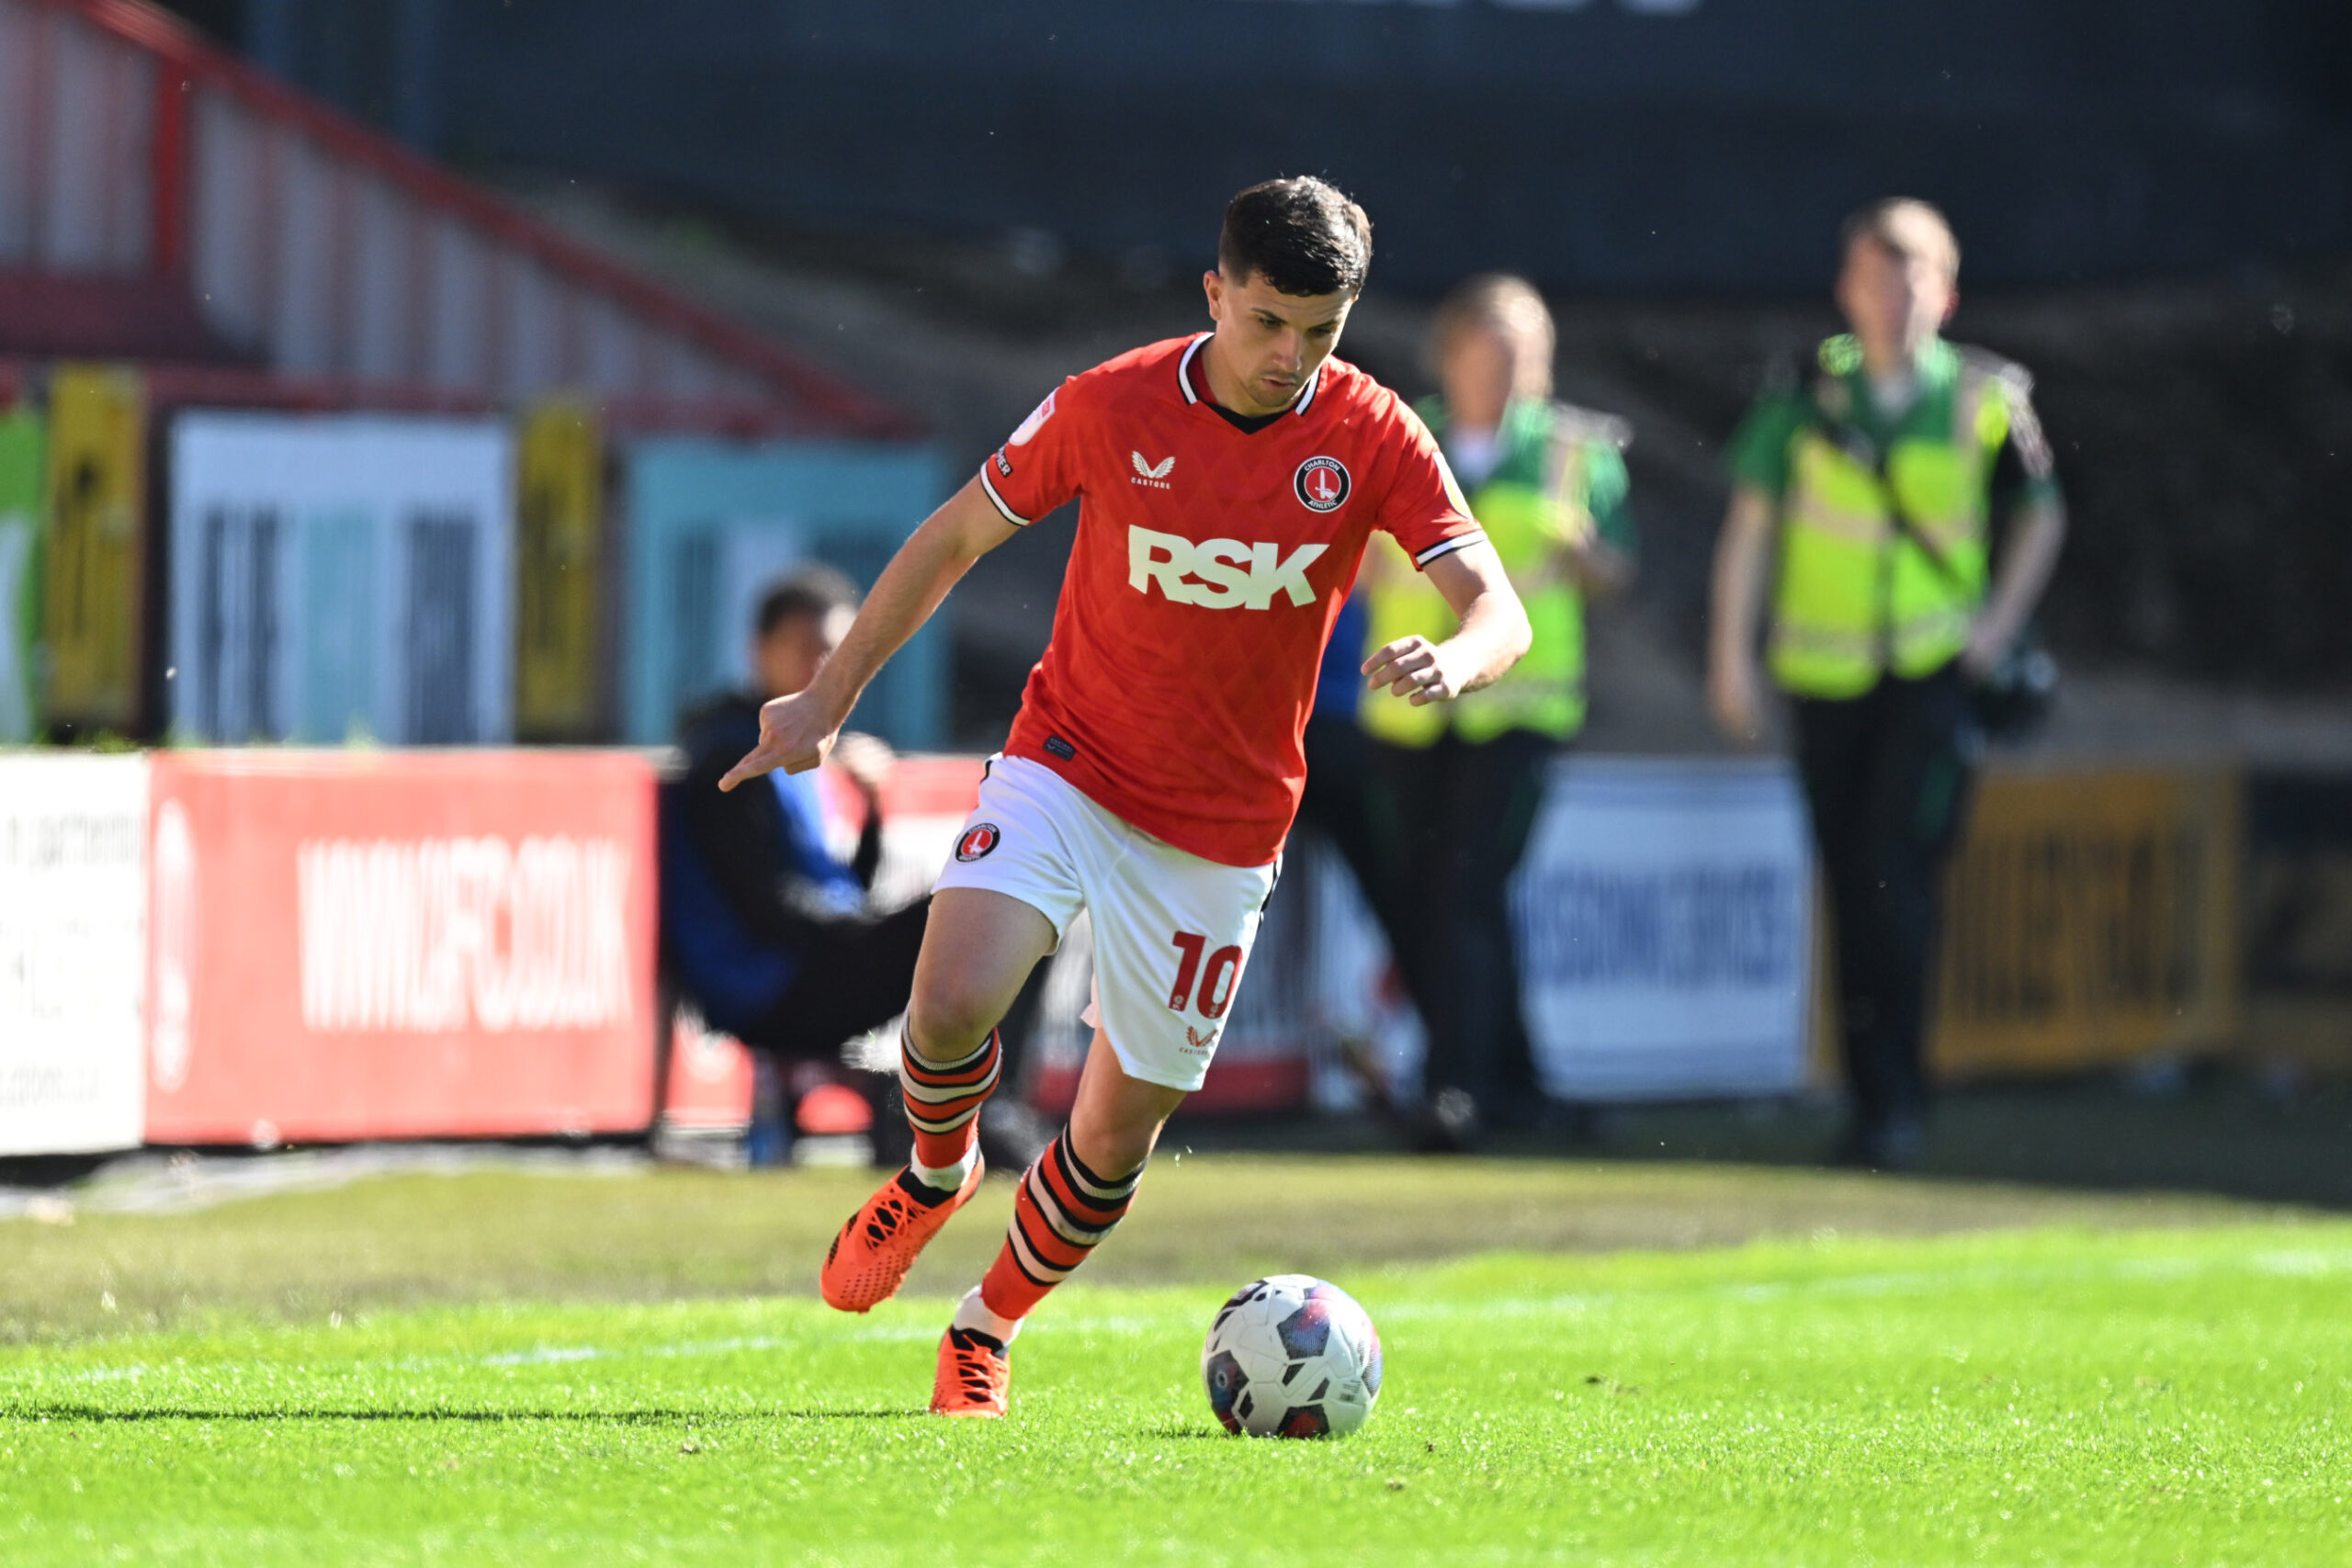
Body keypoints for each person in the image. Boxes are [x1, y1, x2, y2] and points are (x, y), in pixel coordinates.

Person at [718, 176, 1530, 1416]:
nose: (1291, 357)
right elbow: (952, 538)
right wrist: (830, 694)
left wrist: (1458, 661)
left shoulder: (1372, 433)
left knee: (1111, 1138)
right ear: (1215, 293)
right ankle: (935, 1172)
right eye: (1267, 322)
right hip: (1070, 761)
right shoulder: (1111, 403)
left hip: (1221, 830)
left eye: (1321, 331)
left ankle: (985, 1323)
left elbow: (1498, 606)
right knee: (948, 1004)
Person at [1707, 198, 2065, 1169]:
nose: (1893, 299)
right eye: (1875, 280)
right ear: (1846, 291)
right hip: (1825, 676)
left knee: (1895, 878)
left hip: (1930, 674)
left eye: (1911, 282)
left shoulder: (1984, 400)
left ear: (1945, 295)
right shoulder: (1804, 395)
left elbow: (2041, 513)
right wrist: (1730, 655)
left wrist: (1994, 629)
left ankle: (1897, 1098)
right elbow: (1750, 528)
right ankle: (1873, 1095)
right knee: (1851, 881)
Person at [1359, 275, 1635, 1149]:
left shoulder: (1575, 450)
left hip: (1520, 705)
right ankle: (1516, 1084)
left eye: (1523, 358)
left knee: (1468, 887)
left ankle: (1457, 1086)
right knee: (1434, 894)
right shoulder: (1401, 435)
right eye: (1489, 358)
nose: (1507, 376)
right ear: (1450, 358)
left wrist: (1585, 555)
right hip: (1410, 708)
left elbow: (1617, 571)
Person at [661, 566, 925, 1161]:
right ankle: (987, 1101)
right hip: (765, 990)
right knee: (981, 911)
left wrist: (872, 811)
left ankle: (975, 1098)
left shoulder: (800, 744)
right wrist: (871, 931)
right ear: (759, 649)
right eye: (806, 648)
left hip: (806, 967)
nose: (820, 666)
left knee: (987, 914)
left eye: (835, 653)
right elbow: (769, 907)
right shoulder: (734, 753)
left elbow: (839, 888)